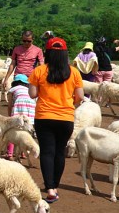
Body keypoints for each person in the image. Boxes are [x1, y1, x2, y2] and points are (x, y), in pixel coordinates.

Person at [28, 37, 85, 204]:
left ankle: (50, 189)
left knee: (47, 152)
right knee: (60, 152)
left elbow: (32, 94)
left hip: (44, 117)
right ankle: (55, 186)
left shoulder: (39, 71)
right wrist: (69, 103)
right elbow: (80, 96)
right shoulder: (73, 72)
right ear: (65, 54)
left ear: (47, 53)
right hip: (65, 118)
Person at [5, 74, 36, 161]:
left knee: (13, 131)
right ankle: (23, 153)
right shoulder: (28, 89)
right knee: (25, 131)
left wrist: (10, 116)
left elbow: (10, 104)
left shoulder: (13, 89)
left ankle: (10, 153)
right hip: (31, 109)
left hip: (19, 107)